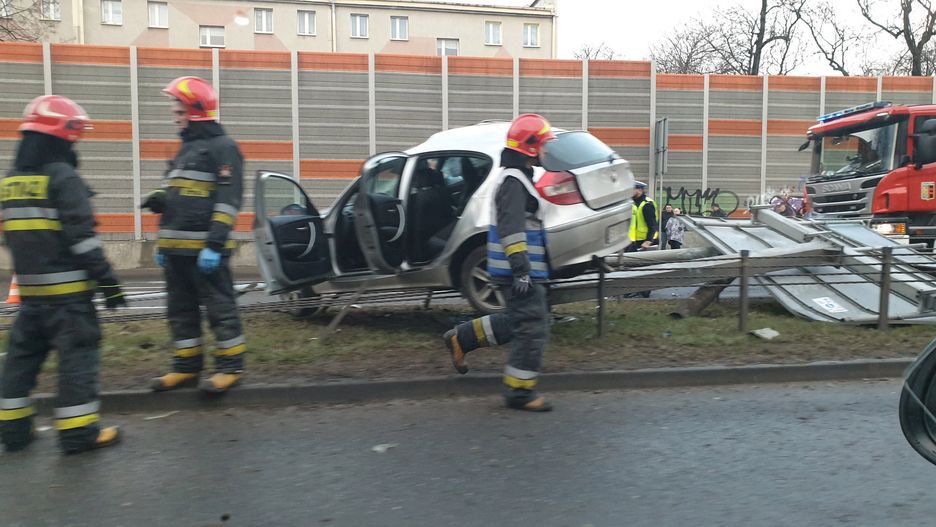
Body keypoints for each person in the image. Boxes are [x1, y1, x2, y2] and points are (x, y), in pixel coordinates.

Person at [0, 95, 126, 455]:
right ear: (61, 135)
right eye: (75, 135)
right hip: (70, 301)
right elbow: (82, 240)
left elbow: (10, 236)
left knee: (20, 362)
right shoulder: (62, 177)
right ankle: (78, 434)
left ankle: (13, 432)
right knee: (77, 361)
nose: (77, 142)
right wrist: (108, 282)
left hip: (31, 299)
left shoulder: (10, 182)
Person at [440, 114, 555, 412]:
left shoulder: (518, 179)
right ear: (530, 147)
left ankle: (461, 338)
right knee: (532, 328)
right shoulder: (513, 182)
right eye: (542, 144)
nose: (546, 150)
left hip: (521, 271)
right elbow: (511, 228)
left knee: (521, 321)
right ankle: (519, 393)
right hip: (519, 272)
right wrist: (522, 270)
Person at [142, 76, 247, 395]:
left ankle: (230, 367)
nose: (175, 116)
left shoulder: (223, 148)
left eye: (179, 110)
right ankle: (186, 367)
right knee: (180, 311)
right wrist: (160, 200)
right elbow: (176, 190)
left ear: (197, 110)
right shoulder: (186, 149)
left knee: (220, 308)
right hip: (175, 251)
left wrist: (214, 245)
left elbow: (228, 201)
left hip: (205, 251)